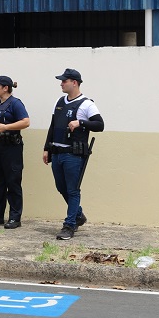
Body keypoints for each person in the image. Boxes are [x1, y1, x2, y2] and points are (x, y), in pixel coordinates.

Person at [42, 68, 104, 240]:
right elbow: (53, 126)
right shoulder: (60, 101)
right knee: (61, 187)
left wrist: (81, 123)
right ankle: (79, 215)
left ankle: (69, 225)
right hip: (57, 153)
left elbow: (99, 125)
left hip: (73, 155)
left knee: (73, 190)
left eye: (64, 81)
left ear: (74, 83)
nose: (61, 83)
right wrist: (47, 147)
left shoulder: (86, 104)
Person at [0, 76, 30, 229]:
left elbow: (26, 122)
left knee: (13, 182)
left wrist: (6, 127)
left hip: (10, 148)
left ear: (5, 88)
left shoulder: (15, 103)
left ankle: (15, 217)